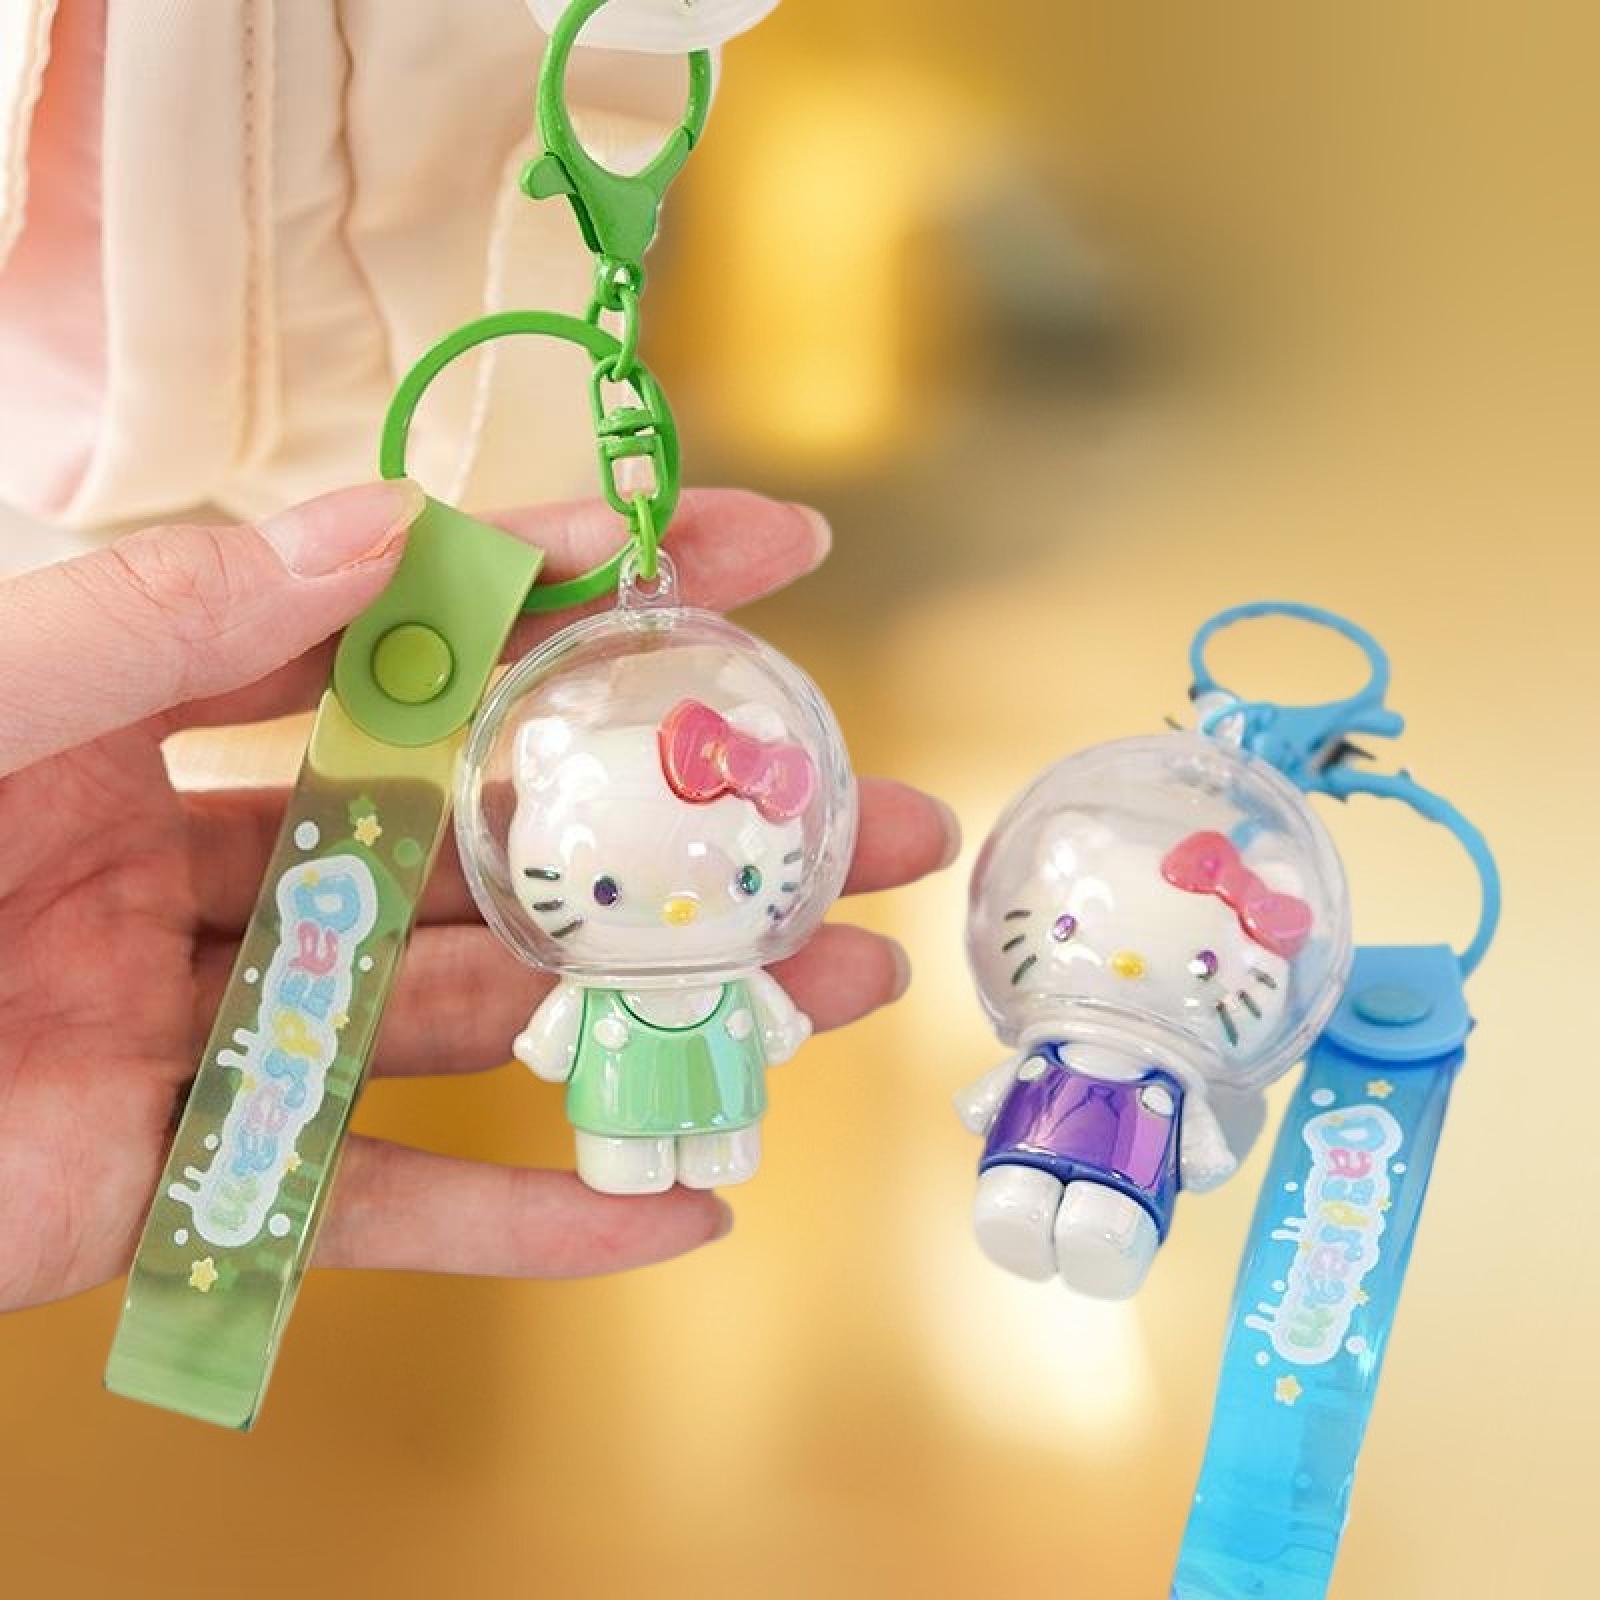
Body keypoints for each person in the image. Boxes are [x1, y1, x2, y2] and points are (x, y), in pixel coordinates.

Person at [0, 478, 957, 1312]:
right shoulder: (586, 968)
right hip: (614, 1081)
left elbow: (755, 1014)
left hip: (718, 1069)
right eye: (609, 888)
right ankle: (631, 1153)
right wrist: (553, 1036)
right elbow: (557, 1030)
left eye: (742, 879)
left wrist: (769, 1017)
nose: (672, 913)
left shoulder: (717, 965)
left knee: (725, 1137)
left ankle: (715, 1145)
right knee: (619, 1143)